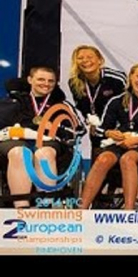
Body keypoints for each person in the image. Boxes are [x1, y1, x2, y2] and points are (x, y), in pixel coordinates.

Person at [79, 62, 138, 210]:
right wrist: (109, 133)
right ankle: (81, 210)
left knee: (127, 159)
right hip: (120, 143)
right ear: (131, 77)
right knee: (103, 159)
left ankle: (128, 212)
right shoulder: (116, 101)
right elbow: (102, 129)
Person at [0, 66, 82, 207]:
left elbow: (79, 130)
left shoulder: (62, 105)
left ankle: (45, 204)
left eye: (51, 81)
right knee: (20, 153)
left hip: (48, 142)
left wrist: (57, 128)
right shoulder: (13, 101)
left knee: (44, 153)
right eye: (41, 79)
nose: (46, 84)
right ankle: (21, 206)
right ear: (30, 80)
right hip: (16, 140)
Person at [68, 45, 126, 153]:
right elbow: (81, 108)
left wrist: (116, 130)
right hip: (97, 131)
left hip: (119, 131)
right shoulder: (74, 83)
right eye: (80, 58)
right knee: (97, 160)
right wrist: (91, 123)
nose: (85, 60)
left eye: (90, 57)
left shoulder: (117, 79)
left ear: (100, 60)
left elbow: (129, 106)